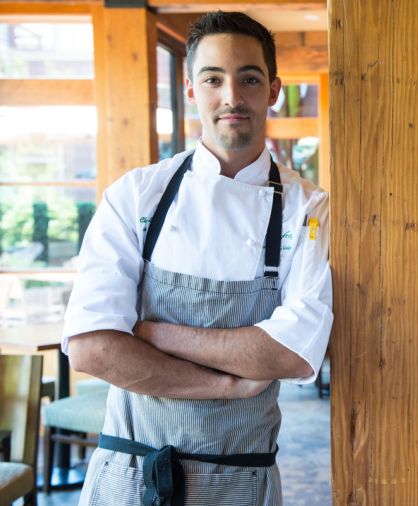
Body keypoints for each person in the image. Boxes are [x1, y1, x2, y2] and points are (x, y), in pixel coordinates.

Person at [64, 11, 332, 505]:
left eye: (248, 78)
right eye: (213, 79)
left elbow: (291, 353)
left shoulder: (306, 209)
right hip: (130, 476)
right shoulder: (136, 196)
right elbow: (92, 348)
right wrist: (230, 385)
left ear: (272, 89)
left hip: (242, 482)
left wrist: (154, 334)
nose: (232, 96)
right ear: (191, 90)